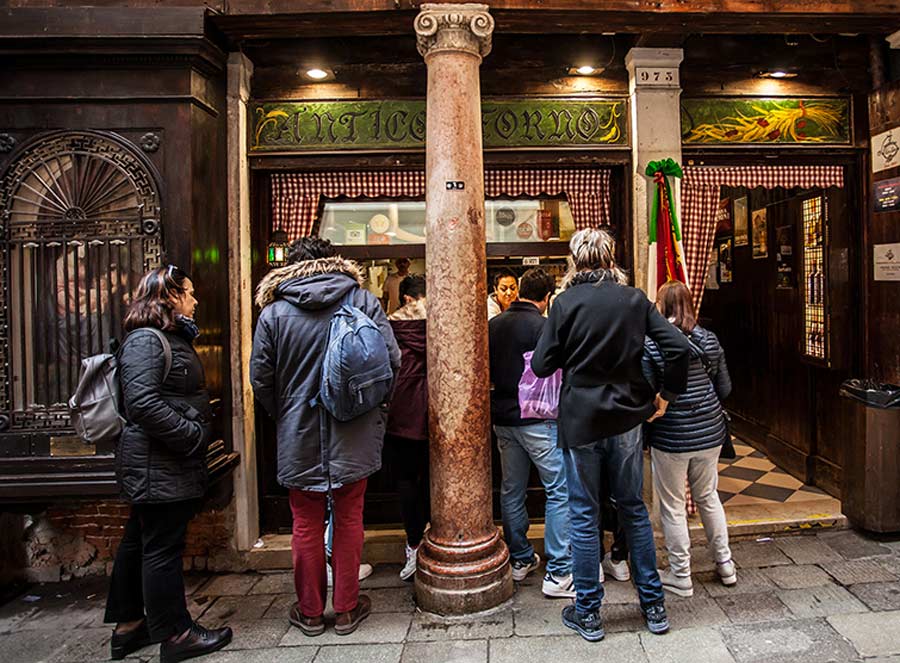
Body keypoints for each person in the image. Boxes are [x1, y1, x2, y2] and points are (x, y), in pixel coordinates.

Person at [531, 228, 690, 642]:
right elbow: (678, 348)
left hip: (581, 419)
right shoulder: (634, 299)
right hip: (626, 419)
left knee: (584, 514)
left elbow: (543, 365)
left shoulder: (564, 304)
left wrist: (573, 349)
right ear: (611, 258)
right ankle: (653, 607)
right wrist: (665, 395)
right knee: (633, 507)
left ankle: (588, 613)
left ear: (575, 260)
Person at [250, 237, 400, 638]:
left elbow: (260, 379)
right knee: (350, 516)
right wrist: (372, 408)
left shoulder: (274, 313)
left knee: (305, 520)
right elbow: (392, 362)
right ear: (334, 261)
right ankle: (347, 609)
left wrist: (285, 411)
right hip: (354, 428)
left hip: (298, 430)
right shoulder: (362, 301)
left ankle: (311, 612)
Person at [104, 265, 232, 663]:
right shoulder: (147, 340)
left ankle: (129, 626)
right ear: (170, 296)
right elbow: (141, 403)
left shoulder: (165, 336)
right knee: (161, 546)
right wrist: (191, 434)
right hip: (159, 461)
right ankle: (176, 634)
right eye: (189, 293)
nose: (195, 300)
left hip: (157, 462)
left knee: (139, 541)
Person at [642, 280, 736, 597]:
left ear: (661, 307)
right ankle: (725, 564)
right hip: (710, 430)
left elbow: (648, 393)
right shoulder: (709, 339)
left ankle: (681, 574)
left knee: (672, 505)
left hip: (671, 435)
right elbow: (724, 389)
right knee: (709, 497)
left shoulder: (652, 344)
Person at [489, 268, 574, 598]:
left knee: (512, 489)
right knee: (559, 489)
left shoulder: (493, 325)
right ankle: (558, 570)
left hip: (503, 418)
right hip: (539, 419)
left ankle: (520, 558)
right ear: (547, 297)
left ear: (519, 291)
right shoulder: (545, 326)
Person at [386, 274, 430, 580]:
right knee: (437, 480)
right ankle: (437, 539)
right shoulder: (442, 326)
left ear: (405, 298)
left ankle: (413, 544)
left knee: (406, 480)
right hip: (439, 415)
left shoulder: (388, 328)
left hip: (400, 415)